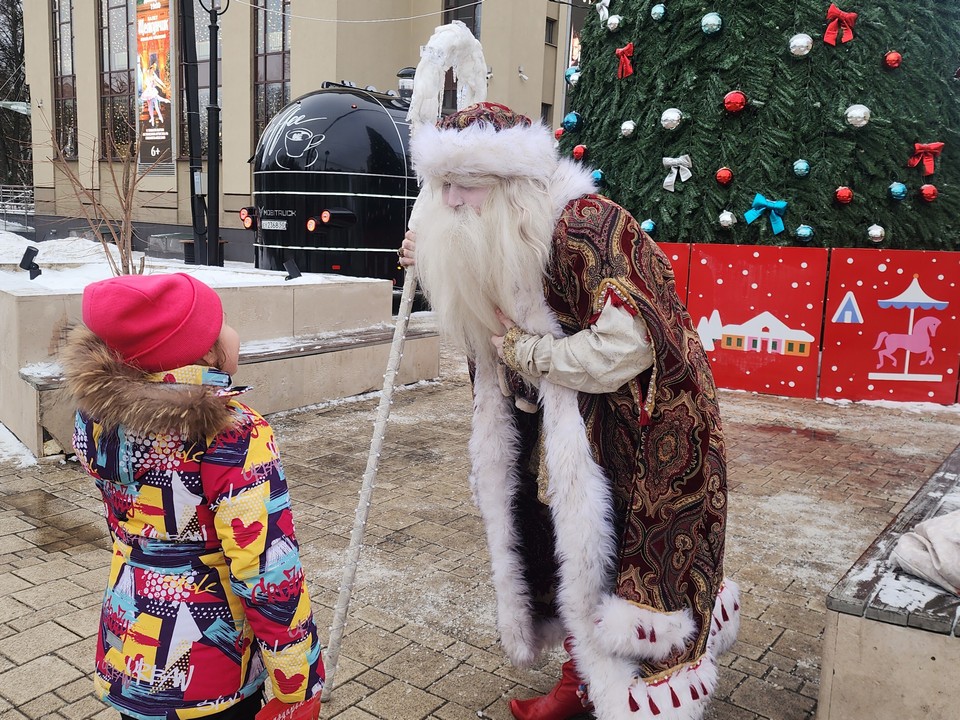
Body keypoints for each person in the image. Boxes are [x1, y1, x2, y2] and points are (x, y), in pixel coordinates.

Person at [399, 101, 740, 720]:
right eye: (440, 186)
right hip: (575, 424)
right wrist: (436, 264)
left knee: (635, 560)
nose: (450, 202)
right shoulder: (500, 224)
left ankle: (639, 698)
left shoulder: (584, 224)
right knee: (573, 550)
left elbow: (628, 342)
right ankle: (580, 680)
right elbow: (500, 316)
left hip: (648, 426)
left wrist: (526, 351)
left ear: (511, 185)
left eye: (465, 187)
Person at [62, 273, 324, 720]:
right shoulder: (230, 434)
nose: (232, 332)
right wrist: (295, 682)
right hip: (212, 675)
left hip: (130, 648)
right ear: (201, 349)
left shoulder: (97, 418)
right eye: (222, 322)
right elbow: (266, 569)